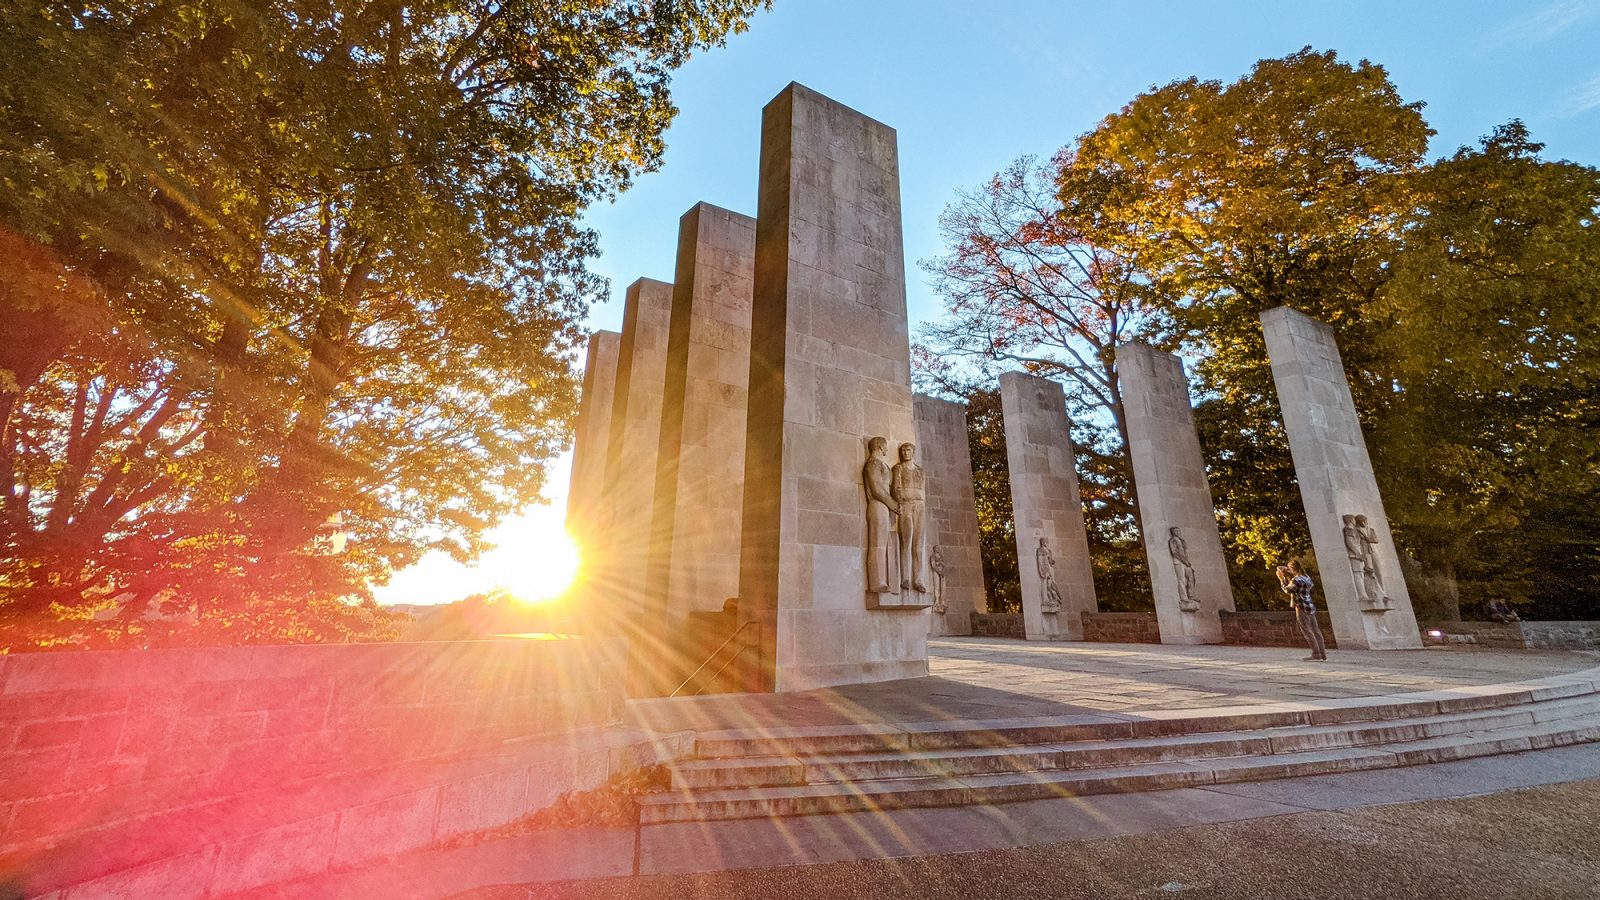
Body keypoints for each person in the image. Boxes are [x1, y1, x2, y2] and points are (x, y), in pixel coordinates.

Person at [862, 437, 898, 594]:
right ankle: (877, 582)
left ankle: (882, 579)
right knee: (877, 545)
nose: (887, 449)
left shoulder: (881, 464)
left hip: (884, 507)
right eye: (885, 445)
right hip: (877, 505)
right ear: (878, 446)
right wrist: (893, 504)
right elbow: (876, 489)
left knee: (882, 545)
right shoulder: (873, 464)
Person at [891, 442, 928, 593]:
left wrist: (916, 495)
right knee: (906, 542)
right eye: (903, 450)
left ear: (913, 452)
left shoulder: (920, 471)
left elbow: (922, 493)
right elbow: (896, 490)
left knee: (918, 544)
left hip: (919, 507)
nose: (905, 453)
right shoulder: (898, 468)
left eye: (908, 450)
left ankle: (918, 580)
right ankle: (905, 578)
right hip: (906, 506)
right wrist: (908, 496)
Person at [1277, 559, 1326, 661]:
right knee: (1316, 631)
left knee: (1307, 630)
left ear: (1293, 569)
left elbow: (1287, 589)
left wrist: (1282, 579)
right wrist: (1285, 569)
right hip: (1310, 606)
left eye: (1290, 568)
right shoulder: (1307, 578)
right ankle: (1322, 654)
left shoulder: (1296, 580)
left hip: (1301, 606)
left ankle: (1316, 653)